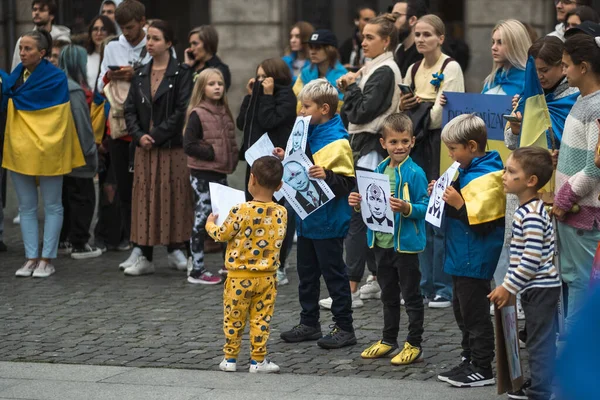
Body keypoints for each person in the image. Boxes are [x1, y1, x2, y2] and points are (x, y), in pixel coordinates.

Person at [332, 13, 403, 309]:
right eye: (363, 36)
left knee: (360, 216)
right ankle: (375, 280)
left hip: (372, 148)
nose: (363, 42)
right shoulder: (374, 68)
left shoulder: (384, 70)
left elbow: (360, 113)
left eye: (370, 37)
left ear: (386, 41)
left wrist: (350, 88)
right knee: (369, 216)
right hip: (365, 146)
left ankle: (351, 288)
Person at [279, 79, 357, 349]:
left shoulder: (337, 142)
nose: (300, 111)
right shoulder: (306, 132)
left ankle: (345, 326)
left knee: (335, 275)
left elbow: (347, 182)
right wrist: (285, 157)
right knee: (307, 274)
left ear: (324, 108)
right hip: (307, 218)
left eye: (306, 106)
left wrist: (328, 175)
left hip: (328, 221)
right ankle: (309, 322)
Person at [3, 30, 85, 278]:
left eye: (28, 49)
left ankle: (46, 259)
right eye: (21, 48)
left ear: (42, 53)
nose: (22, 53)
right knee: (27, 207)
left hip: (48, 151)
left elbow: (58, 117)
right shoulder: (15, 78)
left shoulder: (56, 79)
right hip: (21, 148)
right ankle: (31, 258)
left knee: (52, 205)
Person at [434, 114, 505, 388]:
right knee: (461, 311)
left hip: (474, 256)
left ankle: (482, 366)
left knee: (475, 313)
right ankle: (469, 358)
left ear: (472, 146)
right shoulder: (465, 170)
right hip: (460, 253)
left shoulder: (486, 175)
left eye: (454, 149)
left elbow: (485, 222)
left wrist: (458, 203)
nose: (450, 155)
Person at [351, 113, 428, 365]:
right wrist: (357, 203)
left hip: (405, 246)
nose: (399, 147)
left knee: (411, 296)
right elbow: (372, 204)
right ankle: (388, 339)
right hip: (382, 243)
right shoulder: (378, 170)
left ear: (413, 142)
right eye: (394, 142)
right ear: (383, 143)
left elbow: (425, 207)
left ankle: (414, 343)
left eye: (404, 141)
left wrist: (407, 208)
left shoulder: (415, 173)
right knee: (388, 295)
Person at [400, 14, 465, 309]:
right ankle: (425, 284)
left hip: (440, 147)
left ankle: (443, 286)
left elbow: (443, 116)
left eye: (428, 34)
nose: (421, 39)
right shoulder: (413, 67)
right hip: (417, 144)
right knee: (421, 215)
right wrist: (409, 104)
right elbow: (400, 108)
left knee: (440, 218)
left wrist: (421, 106)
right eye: (417, 34)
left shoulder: (450, 67)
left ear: (440, 38)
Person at [122, 19, 193, 276]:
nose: (150, 43)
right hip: (145, 148)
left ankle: (179, 250)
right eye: (148, 38)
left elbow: (181, 111)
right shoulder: (140, 73)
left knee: (175, 197)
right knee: (145, 198)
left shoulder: (181, 73)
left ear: (169, 43)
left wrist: (156, 134)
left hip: (171, 148)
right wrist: (140, 136)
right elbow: (129, 109)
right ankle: (145, 254)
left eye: (155, 39)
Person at [489, 147, 560, 400]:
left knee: (539, 342)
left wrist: (507, 287)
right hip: (539, 288)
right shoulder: (531, 209)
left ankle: (540, 391)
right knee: (539, 338)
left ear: (530, 181)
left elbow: (530, 261)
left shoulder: (529, 215)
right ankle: (542, 383)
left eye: (511, 171)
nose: (504, 175)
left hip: (540, 288)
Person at [206, 156, 286, 373]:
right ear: (279, 186)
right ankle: (258, 361)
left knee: (234, 318)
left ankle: (230, 359)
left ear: (251, 179)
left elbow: (223, 234)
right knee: (261, 319)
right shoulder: (282, 212)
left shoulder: (239, 210)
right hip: (267, 277)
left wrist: (210, 225)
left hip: (238, 278)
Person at [98, 0, 151, 271]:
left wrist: (137, 74)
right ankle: (135, 245)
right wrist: (113, 76)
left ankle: (153, 244)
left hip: (147, 127)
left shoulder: (154, 42)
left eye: (131, 27)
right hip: (119, 127)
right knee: (125, 191)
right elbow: (99, 85)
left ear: (143, 21)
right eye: (123, 28)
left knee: (149, 189)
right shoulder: (112, 47)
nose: (127, 33)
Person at [553, 26, 600, 333]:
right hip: (572, 211)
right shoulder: (584, 100)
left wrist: (563, 197)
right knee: (574, 280)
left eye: (566, 65)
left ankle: (574, 350)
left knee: (583, 285)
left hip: (581, 211)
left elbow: (595, 168)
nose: (563, 70)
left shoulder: (595, 105)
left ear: (583, 68)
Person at [236, 57, 297, 285]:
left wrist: (268, 96)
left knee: (275, 213)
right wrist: (250, 97)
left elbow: (269, 120)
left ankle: (278, 263)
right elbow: (243, 122)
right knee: (254, 209)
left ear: (276, 77)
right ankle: (258, 257)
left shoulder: (286, 96)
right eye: (258, 76)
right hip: (254, 161)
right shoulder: (257, 96)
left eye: (264, 77)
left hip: (272, 163)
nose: (260, 81)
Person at [184, 68, 238, 285]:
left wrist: (232, 157)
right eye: (212, 84)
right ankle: (196, 268)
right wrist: (211, 153)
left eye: (220, 84)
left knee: (224, 217)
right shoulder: (198, 113)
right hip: (202, 175)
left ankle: (227, 265)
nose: (217, 87)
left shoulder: (223, 111)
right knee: (202, 218)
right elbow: (189, 144)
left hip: (219, 173)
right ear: (202, 88)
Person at [57, 45, 102, 260]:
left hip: (62, 155)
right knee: (83, 199)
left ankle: (63, 239)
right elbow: (82, 126)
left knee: (65, 198)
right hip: (78, 156)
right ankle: (80, 243)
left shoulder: (57, 85)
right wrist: (90, 152)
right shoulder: (74, 90)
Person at [292, 30, 347, 113]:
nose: (312, 52)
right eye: (310, 47)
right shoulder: (305, 73)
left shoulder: (343, 75)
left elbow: (343, 108)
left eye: (318, 48)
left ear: (330, 50)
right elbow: (297, 102)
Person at [11, 1, 71, 71]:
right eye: (34, 9)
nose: (36, 13)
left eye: (42, 10)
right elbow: (16, 68)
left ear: (51, 16)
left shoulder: (63, 39)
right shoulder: (23, 40)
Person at [482, 20, 531, 96]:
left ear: (515, 45)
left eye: (500, 42)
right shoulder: (492, 79)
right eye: (493, 42)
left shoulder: (528, 79)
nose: (493, 47)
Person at [184, 26, 231, 90]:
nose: (191, 49)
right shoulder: (190, 67)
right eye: (191, 44)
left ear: (208, 43)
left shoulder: (220, 70)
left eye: (195, 44)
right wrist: (186, 67)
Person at [391, 0, 429, 78]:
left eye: (396, 16)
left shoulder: (422, 53)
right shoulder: (399, 50)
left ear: (412, 20)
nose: (392, 22)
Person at [339, 6, 376, 71]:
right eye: (366, 20)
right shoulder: (347, 45)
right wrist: (342, 68)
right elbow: (337, 67)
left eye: (373, 20)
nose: (370, 23)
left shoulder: (378, 44)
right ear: (356, 21)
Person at [86, 16, 117, 90]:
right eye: (95, 29)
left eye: (103, 29)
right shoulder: (85, 57)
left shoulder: (116, 57)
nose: (99, 33)